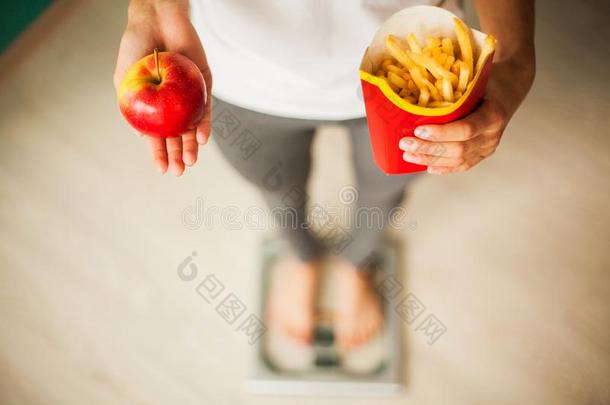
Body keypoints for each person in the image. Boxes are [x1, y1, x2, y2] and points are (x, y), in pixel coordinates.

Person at [113, 0, 535, 354]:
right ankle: (302, 257)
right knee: (276, 187)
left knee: (384, 191)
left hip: (413, 61)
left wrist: (516, 60)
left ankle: (356, 263)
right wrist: (150, 9)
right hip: (234, 71)